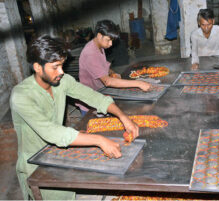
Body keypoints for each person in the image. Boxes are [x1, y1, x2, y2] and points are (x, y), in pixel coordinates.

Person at [10, 35, 139, 200]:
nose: (61, 72)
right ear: (37, 67)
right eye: (55, 67)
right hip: (36, 162)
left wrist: (123, 116)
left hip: (60, 151)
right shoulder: (21, 96)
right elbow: (52, 133)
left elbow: (93, 97)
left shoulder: (62, 81)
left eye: (62, 66)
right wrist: (99, 139)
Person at [78, 20, 152, 116]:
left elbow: (101, 66)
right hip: (90, 102)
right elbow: (107, 82)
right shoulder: (90, 53)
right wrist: (139, 83)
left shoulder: (99, 46)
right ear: (100, 36)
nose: (111, 44)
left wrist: (112, 72)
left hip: (100, 93)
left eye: (112, 41)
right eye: (108, 40)